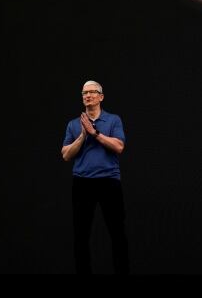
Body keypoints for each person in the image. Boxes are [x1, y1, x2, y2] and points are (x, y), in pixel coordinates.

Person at [61, 80, 129, 274]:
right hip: (82, 183)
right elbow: (65, 154)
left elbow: (119, 146)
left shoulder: (113, 120)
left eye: (92, 92)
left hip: (109, 181)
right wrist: (83, 136)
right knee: (81, 236)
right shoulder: (74, 124)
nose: (87, 96)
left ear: (101, 97)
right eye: (84, 93)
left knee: (117, 233)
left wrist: (95, 133)